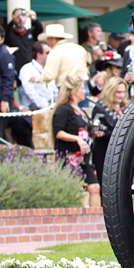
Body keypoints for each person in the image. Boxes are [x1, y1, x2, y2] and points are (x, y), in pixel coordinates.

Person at [51, 75, 100, 207]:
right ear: (73, 91)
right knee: (72, 189)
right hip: (69, 156)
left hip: (84, 158)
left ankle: (95, 220)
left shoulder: (81, 111)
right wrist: (77, 139)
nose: (85, 91)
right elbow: (59, 132)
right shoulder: (63, 109)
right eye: (82, 88)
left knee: (95, 187)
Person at [90, 75, 130, 183]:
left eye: (123, 92)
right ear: (111, 91)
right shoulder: (100, 108)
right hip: (105, 153)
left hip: (124, 153)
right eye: (118, 92)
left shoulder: (127, 108)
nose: (121, 95)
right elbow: (98, 130)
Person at [37, 23, 90, 90]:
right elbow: (88, 63)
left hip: (66, 88)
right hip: (82, 86)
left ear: (52, 39)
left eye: (48, 39)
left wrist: (37, 79)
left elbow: (50, 76)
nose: (47, 42)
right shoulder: (79, 48)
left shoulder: (55, 52)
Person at [20, 41, 57, 110]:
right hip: (34, 110)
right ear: (38, 54)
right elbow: (30, 92)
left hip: (51, 108)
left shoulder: (49, 69)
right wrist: (45, 106)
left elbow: (54, 90)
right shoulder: (27, 69)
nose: (50, 55)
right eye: (47, 53)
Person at [5, 8, 43, 73]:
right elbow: (6, 34)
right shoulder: (11, 35)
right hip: (18, 69)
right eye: (18, 16)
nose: (20, 18)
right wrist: (13, 21)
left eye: (22, 15)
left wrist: (34, 19)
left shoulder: (31, 33)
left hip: (32, 70)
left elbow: (39, 29)